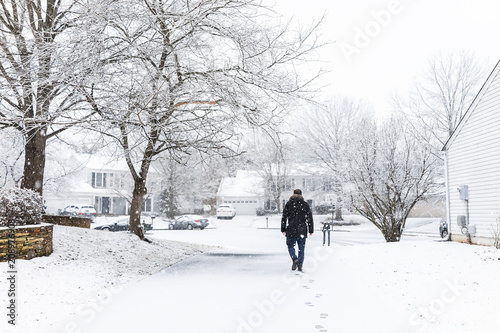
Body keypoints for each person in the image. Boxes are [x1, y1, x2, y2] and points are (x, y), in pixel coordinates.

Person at [281, 189, 314, 272]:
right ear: (301, 194)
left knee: (290, 246)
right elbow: (309, 217)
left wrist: (283, 228)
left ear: (293, 194)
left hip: (291, 229)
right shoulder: (305, 204)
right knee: (301, 249)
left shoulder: (289, 204)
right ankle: (300, 266)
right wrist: (311, 230)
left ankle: (294, 258)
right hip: (302, 230)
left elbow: (284, 217)